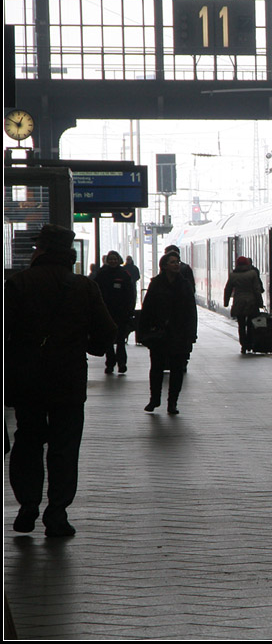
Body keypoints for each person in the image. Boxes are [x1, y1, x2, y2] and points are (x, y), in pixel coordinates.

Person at [5, 224, 116, 536]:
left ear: (40, 250)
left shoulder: (18, 284)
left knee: (27, 440)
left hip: (27, 381)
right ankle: (57, 513)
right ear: (69, 253)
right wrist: (88, 347)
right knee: (65, 446)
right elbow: (107, 332)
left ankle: (27, 506)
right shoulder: (84, 287)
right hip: (68, 380)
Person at [139, 251, 198, 415]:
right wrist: (143, 332)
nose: (176, 264)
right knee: (156, 367)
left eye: (177, 262)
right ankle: (154, 399)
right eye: (172, 262)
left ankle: (172, 402)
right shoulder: (156, 284)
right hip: (159, 333)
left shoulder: (185, 284)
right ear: (164, 266)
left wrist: (192, 333)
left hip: (179, 333)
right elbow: (147, 308)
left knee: (177, 369)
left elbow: (191, 311)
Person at [94, 250, 137, 373]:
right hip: (107, 312)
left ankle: (121, 363)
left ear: (118, 260)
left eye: (115, 259)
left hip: (121, 312)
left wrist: (130, 310)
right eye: (111, 259)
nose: (113, 261)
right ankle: (110, 363)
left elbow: (130, 294)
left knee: (120, 340)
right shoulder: (102, 274)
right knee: (109, 340)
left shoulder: (123, 274)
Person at [223, 256, 265, 354]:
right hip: (251, 303)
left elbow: (228, 289)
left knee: (241, 325)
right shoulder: (252, 274)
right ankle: (250, 343)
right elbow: (257, 290)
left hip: (239, 303)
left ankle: (243, 345)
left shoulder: (233, 275)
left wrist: (226, 302)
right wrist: (260, 303)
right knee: (251, 324)